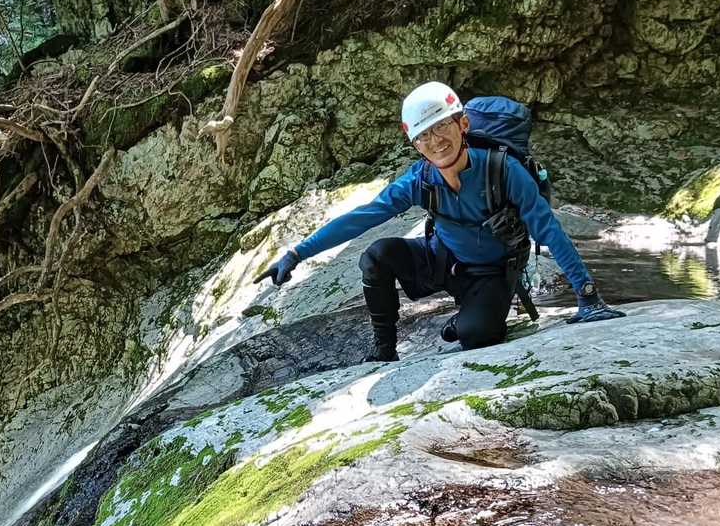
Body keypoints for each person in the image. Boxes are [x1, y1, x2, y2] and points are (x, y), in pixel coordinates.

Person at [255, 81, 624, 362]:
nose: (435, 141)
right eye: (423, 135)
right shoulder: (419, 181)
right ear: (416, 145)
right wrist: (297, 253)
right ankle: (384, 351)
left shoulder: (504, 170)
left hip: (491, 273)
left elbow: (548, 229)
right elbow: (361, 218)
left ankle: (459, 324)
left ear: (462, 124)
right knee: (377, 256)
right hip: (442, 259)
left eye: (441, 126)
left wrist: (587, 296)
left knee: (477, 335)